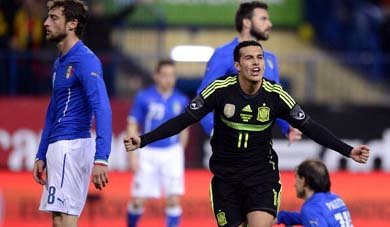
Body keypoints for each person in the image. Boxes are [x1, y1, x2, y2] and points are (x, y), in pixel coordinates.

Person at [124, 40, 370, 227]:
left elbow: (311, 127)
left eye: (260, 58)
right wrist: (144, 140)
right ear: (237, 65)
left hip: (261, 177)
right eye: (249, 58)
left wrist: (348, 150)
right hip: (225, 179)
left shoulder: (276, 95)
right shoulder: (219, 90)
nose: (256, 63)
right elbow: (183, 120)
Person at [32, 1, 112, 226]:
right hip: (58, 147)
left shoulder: (85, 60)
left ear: (72, 24)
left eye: (54, 18)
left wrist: (102, 158)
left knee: (66, 219)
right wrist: (41, 153)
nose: (46, 23)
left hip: (72, 144)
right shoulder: (60, 63)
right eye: (48, 17)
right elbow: (53, 110)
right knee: (58, 220)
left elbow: (102, 108)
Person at [197, 1, 301, 143]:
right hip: (230, 143)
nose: (269, 24)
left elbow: (276, 99)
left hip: (260, 143)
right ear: (246, 22)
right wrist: (214, 130)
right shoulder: (224, 54)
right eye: (263, 19)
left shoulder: (269, 58)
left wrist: (287, 127)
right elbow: (203, 96)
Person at [126, 60, 189, 227]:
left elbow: (185, 128)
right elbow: (132, 125)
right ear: (156, 76)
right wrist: (133, 156)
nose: (169, 79)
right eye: (165, 75)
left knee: (173, 200)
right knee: (138, 201)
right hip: (148, 152)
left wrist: (179, 152)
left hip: (172, 152)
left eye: (172, 75)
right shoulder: (143, 97)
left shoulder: (181, 99)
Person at [276, 159, 353, 227]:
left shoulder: (311, 208)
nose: (295, 185)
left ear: (303, 180)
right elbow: (307, 217)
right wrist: (281, 216)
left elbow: (311, 215)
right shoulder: (335, 198)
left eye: (296, 178)